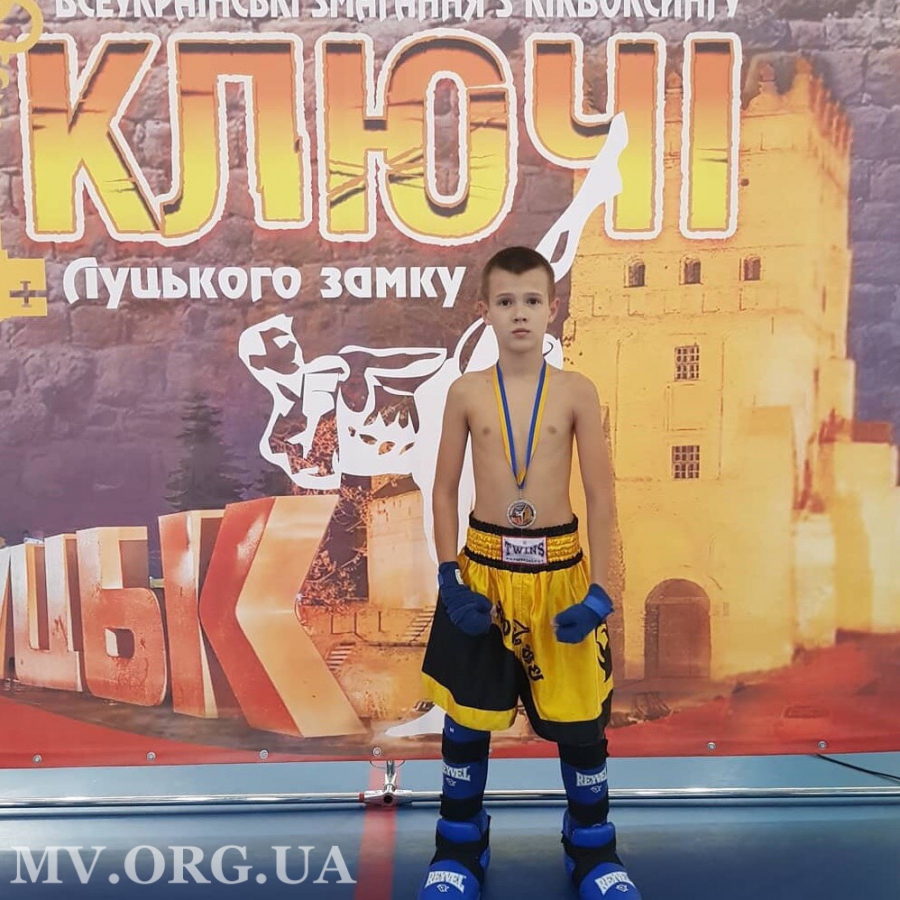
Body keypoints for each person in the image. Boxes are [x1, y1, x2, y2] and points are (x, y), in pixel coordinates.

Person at [416, 247, 640, 899]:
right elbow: (442, 491)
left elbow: (600, 494)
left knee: (582, 722)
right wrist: (448, 578)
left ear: (552, 310)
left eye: (532, 301)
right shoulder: (465, 391)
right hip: (483, 572)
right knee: (466, 719)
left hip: (559, 570)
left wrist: (602, 590)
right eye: (506, 301)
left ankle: (593, 849)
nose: (520, 313)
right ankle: (459, 846)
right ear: (484, 311)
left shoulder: (576, 391)